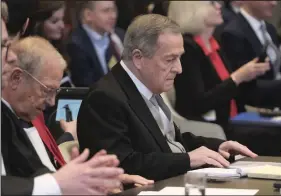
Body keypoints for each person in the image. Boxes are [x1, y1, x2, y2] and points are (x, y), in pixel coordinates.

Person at [77, 14, 258, 182]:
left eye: (179, 58)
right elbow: (121, 165)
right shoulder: (104, 98)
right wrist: (186, 160)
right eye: (170, 59)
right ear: (138, 58)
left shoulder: (145, 86)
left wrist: (217, 146)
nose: (179, 68)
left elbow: (169, 142)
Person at [1, 2, 123, 194]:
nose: (11, 57)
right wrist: (60, 182)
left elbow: (35, 172)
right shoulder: (11, 114)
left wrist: (89, 175)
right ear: (17, 78)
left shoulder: (12, 115)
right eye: (3, 46)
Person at [168, 1, 270, 132]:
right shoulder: (187, 49)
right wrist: (238, 77)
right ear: (193, 10)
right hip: (209, 129)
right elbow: (197, 104)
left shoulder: (214, 43)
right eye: (211, 3)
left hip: (233, 121)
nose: (219, 6)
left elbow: (230, 90)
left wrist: (249, 74)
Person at [221, 1, 281, 107]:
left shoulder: (270, 29)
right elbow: (245, 88)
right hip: (259, 108)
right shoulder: (233, 33)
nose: (274, 3)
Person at [67, 0, 125, 87]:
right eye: (106, 11)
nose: (113, 16)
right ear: (88, 15)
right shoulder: (76, 45)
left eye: (114, 10)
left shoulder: (119, 35)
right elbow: (86, 85)